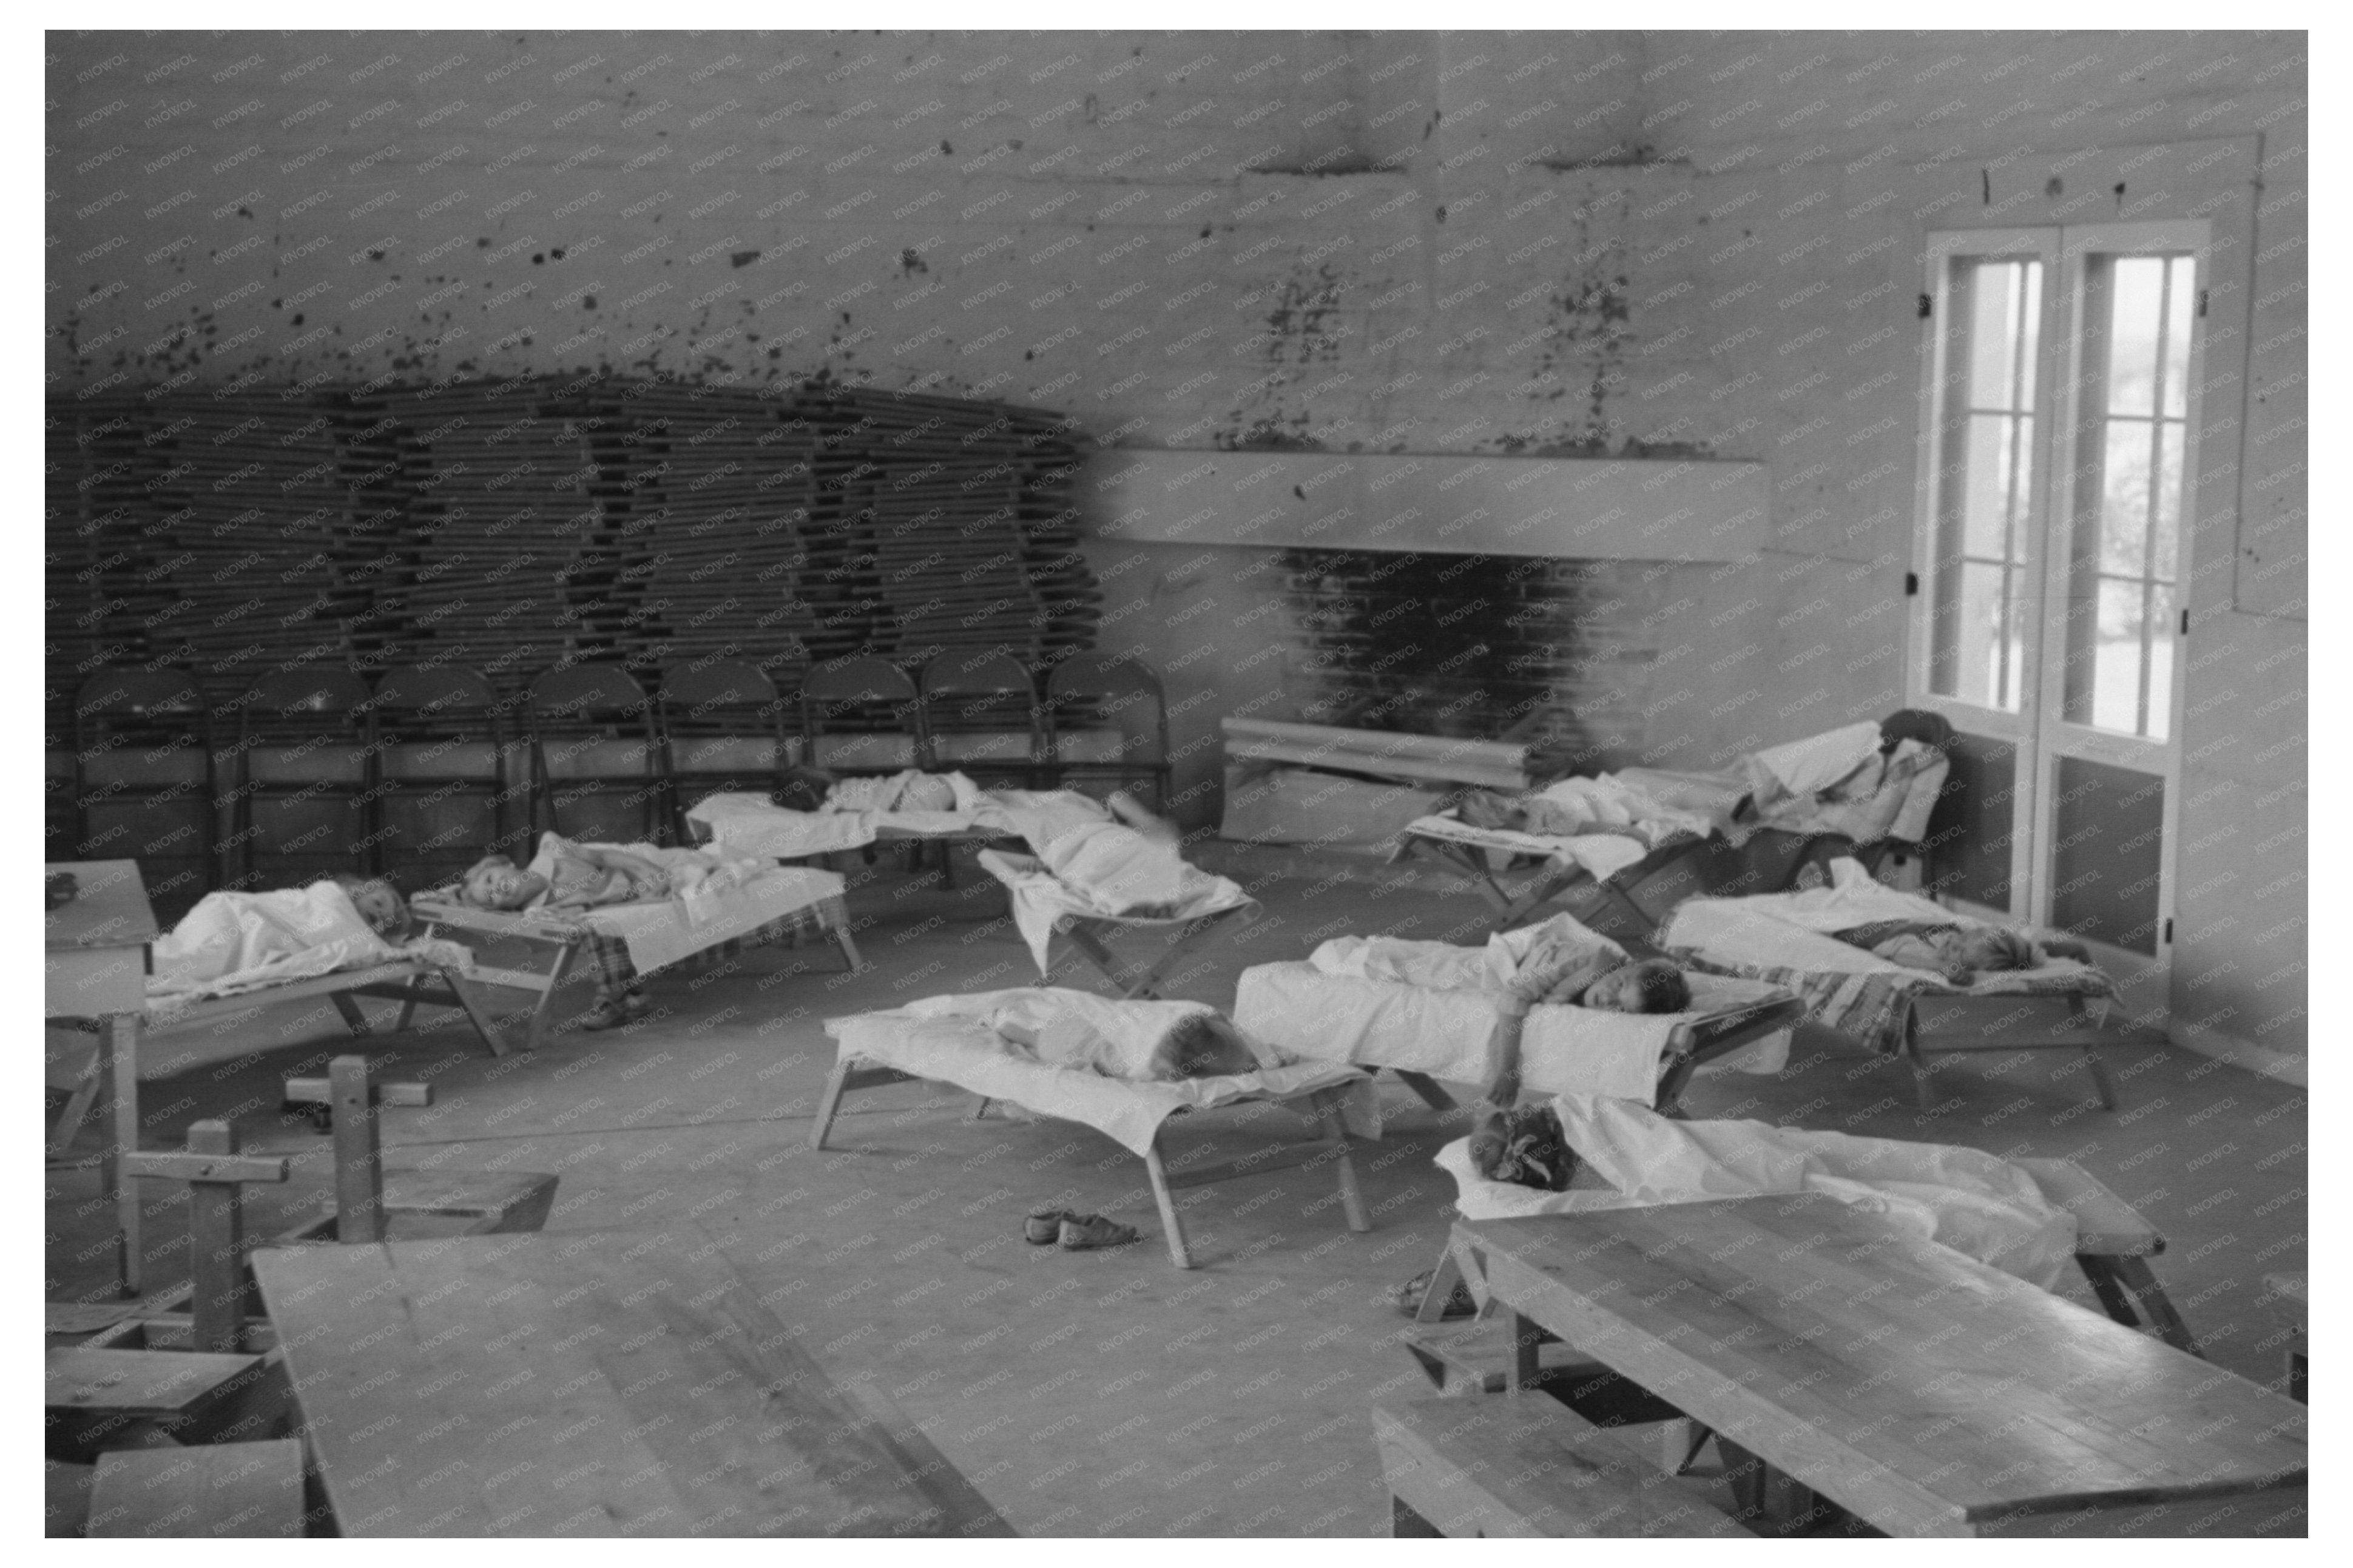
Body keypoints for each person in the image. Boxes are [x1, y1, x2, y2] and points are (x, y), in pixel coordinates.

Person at [1463, 929, 1693, 1191]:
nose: (1607, 999)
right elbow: (1515, 995)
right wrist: (1506, 1070)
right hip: (1531, 955)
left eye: (1620, 1009)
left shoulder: (1600, 989)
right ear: (1626, 967)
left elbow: (1551, 1001)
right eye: (1619, 984)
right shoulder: (1584, 962)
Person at [1829, 918, 2085, 987]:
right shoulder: (1961, 937)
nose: (1953, 941)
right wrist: (2036, 953)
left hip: (1874, 932)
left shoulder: (1927, 954)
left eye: (1957, 950)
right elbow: (1976, 933)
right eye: (1962, 939)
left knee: (1837, 923)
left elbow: (1900, 954)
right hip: (1908, 921)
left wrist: (1941, 968)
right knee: (1966, 925)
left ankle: (1813, 895)